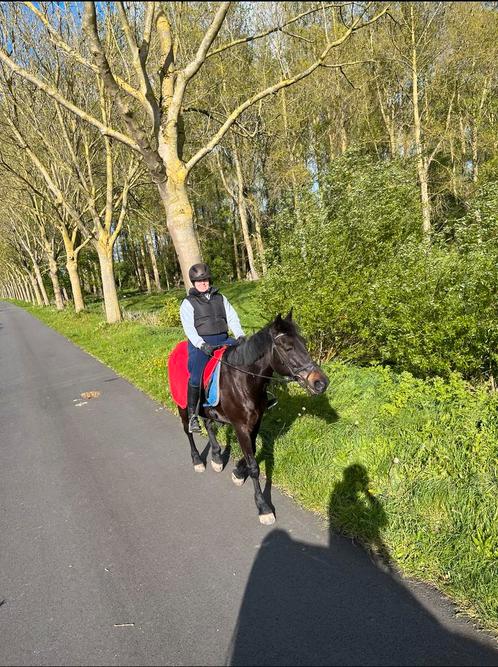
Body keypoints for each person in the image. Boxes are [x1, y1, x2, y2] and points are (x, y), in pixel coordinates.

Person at [180, 262, 245, 433]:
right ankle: (193, 415)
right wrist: (202, 345)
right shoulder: (188, 303)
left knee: (247, 358)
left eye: (206, 280)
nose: (203, 283)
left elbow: (232, 318)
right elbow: (189, 329)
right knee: (196, 376)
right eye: (199, 281)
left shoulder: (220, 298)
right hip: (201, 344)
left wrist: (239, 335)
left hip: (224, 339)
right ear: (193, 283)